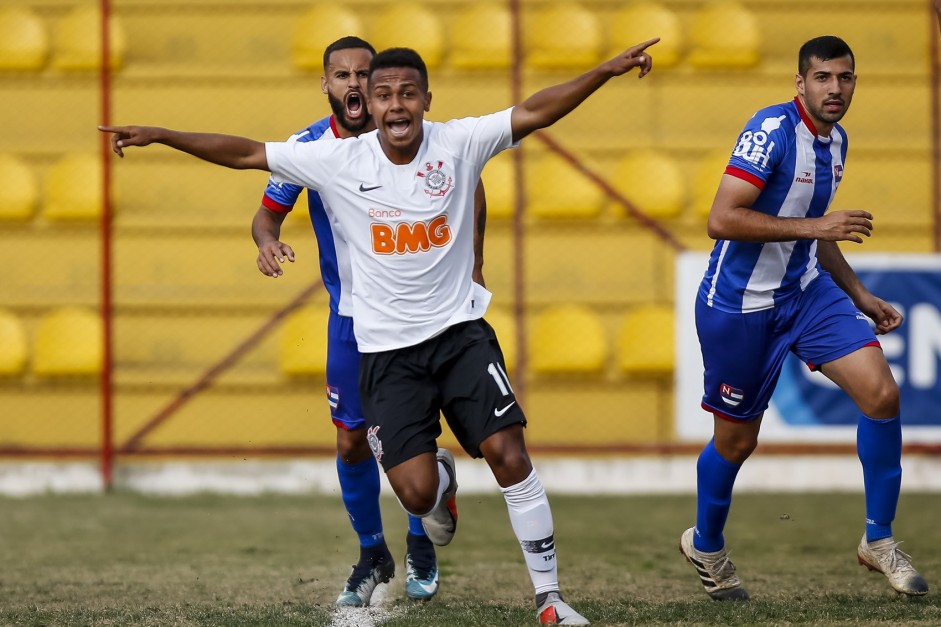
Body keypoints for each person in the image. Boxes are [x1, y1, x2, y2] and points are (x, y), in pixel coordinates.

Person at [99, 37, 659, 625]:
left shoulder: (459, 142)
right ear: (366, 98)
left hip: (460, 333)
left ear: (425, 100)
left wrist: (603, 70)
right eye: (383, 94)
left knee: (508, 452)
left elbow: (537, 109)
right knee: (416, 495)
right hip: (385, 352)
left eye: (408, 94)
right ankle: (433, 483)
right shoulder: (335, 159)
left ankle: (550, 598)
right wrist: (162, 134)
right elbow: (245, 153)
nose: (396, 105)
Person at [679, 35, 928, 601]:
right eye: (822, 78)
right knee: (736, 442)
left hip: (806, 294)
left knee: (882, 395)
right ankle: (707, 543)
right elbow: (722, 218)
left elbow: (815, 228)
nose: (834, 89)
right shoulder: (770, 131)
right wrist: (818, 229)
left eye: (844, 78)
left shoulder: (837, 141)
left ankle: (878, 541)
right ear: (800, 83)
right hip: (740, 304)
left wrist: (860, 294)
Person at [255, 36, 489, 606]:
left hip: (423, 315)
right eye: (343, 75)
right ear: (327, 84)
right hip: (350, 316)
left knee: (411, 434)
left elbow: (471, 184)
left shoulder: (415, 136)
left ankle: (421, 541)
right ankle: (371, 552)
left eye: (365, 74)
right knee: (351, 440)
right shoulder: (311, 146)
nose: (354, 84)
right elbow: (267, 212)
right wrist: (267, 242)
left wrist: (475, 261)